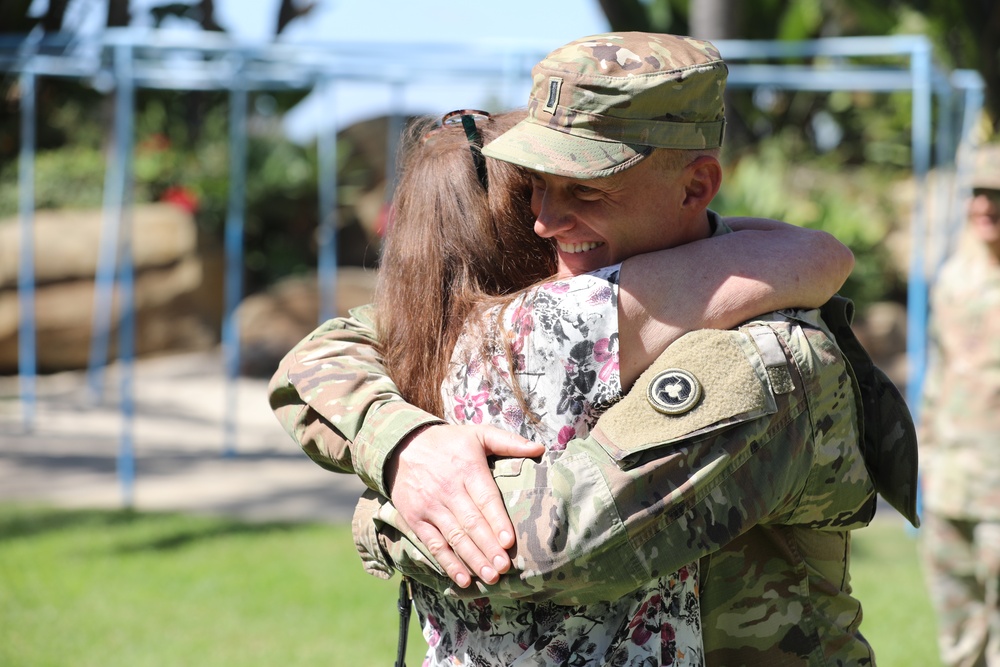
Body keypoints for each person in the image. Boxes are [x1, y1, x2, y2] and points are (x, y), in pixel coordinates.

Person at [271, 32, 918, 665]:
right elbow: (330, 352)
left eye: (586, 188)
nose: (544, 221)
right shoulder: (570, 293)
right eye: (537, 184)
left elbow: (552, 547)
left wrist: (378, 513)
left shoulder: (763, 352)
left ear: (695, 187)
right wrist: (406, 442)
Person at [920, 144, 1000, 667]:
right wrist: (925, 454)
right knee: (959, 632)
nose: (984, 206)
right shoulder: (955, 278)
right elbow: (938, 373)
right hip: (950, 481)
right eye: (977, 193)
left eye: (997, 194)